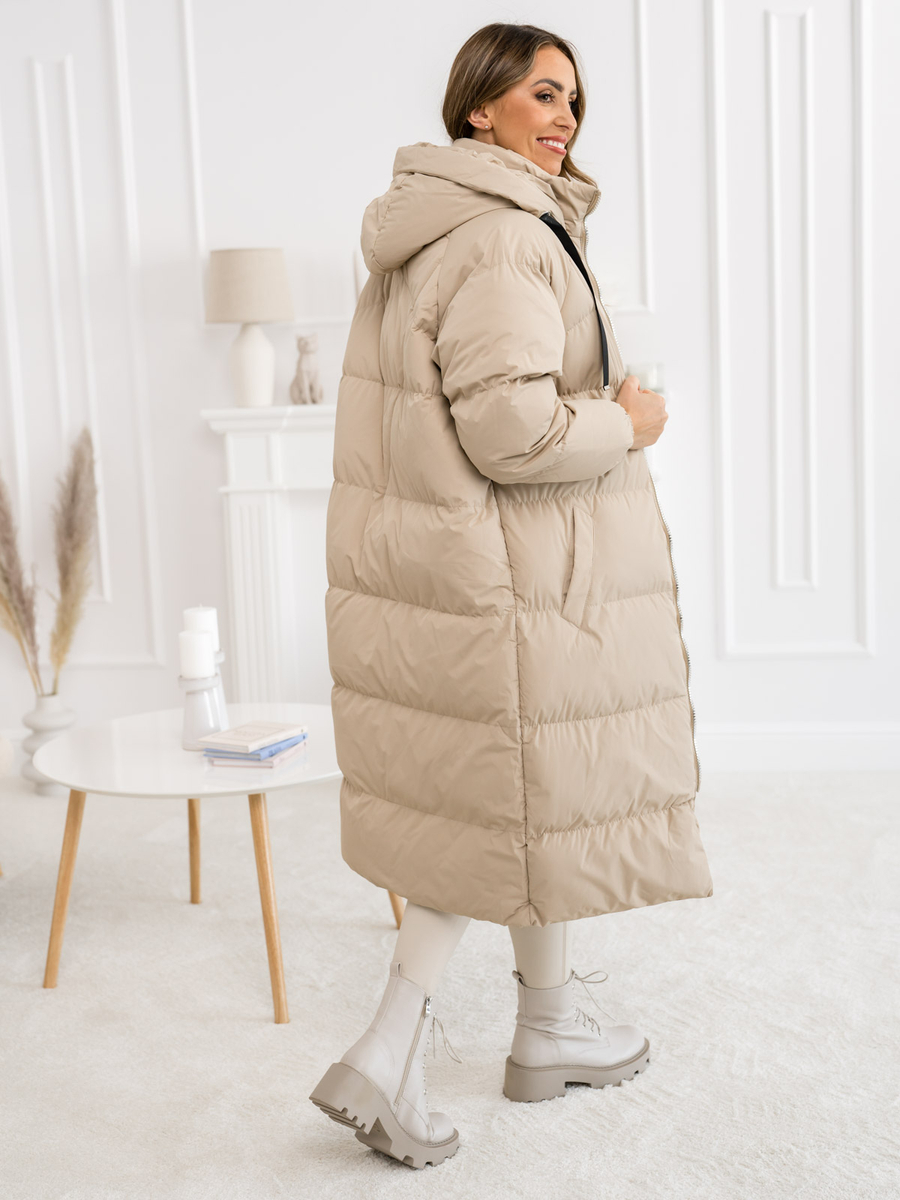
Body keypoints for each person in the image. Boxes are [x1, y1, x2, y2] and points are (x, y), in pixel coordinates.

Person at [309, 21, 713, 1169]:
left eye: (573, 99)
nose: (565, 117)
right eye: (541, 93)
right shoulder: (503, 237)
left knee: (528, 796)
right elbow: (512, 431)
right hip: (519, 572)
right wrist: (628, 422)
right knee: (510, 809)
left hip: (464, 568)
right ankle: (388, 1048)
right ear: (478, 107)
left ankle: (550, 1025)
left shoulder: (432, 229)